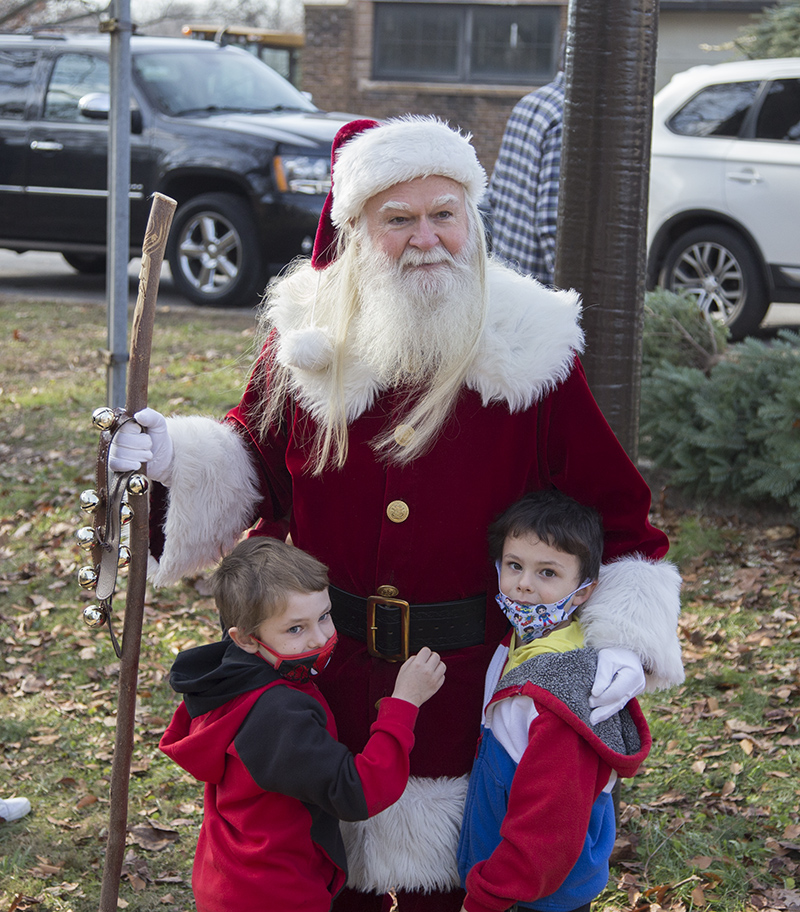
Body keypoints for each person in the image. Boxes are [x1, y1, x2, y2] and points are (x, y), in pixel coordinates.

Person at [109, 115, 683, 911]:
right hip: (323, 677)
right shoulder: (307, 344)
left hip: (470, 686)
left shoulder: (529, 347)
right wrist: (173, 456)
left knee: (452, 883)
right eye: (398, 219)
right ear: (355, 229)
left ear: (471, 218)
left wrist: (611, 652)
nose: (426, 239)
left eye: (444, 213)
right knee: (327, 870)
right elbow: (257, 467)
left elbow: (618, 515)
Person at [159, 536, 445, 912]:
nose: (321, 637)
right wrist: (404, 703)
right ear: (245, 639)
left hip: (229, 874)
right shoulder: (276, 715)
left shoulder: (228, 681)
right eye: (296, 629)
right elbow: (356, 791)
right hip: (278, 893)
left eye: (324, 616)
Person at [457, 490, 652, 912]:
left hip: (536, 891)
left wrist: (493, 892)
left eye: (547, 572)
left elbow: (553, 817)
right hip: (516, 878)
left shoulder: (559, 691)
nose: (524, 583)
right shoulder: (520, 642)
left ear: (582, 591)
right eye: (514, 566)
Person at [488, 67, 565, 285]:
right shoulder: (566, 117)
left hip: (507, 279)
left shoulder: (529, 102)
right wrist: (570, 293)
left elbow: (494, 193)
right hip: (539, 292)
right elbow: (553, 222)